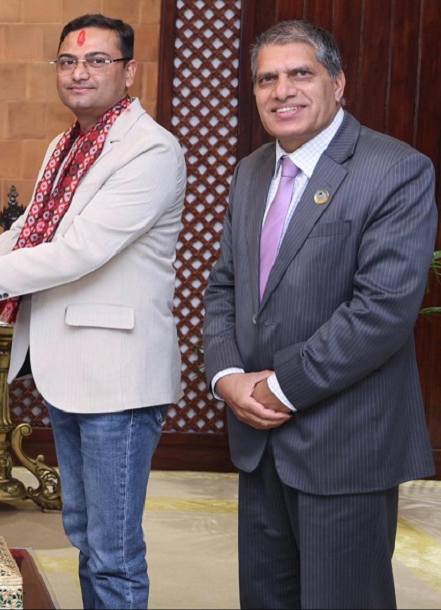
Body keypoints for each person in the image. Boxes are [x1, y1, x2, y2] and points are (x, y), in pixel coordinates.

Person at [0, 14, 186, 609]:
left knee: (113, 550)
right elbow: (27, 235)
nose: (80, 72)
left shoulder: (149, 149)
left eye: (98, 60)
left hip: (118, 378)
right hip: (72, 368)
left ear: (130, 71)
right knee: (85, 532)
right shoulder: (67, 144)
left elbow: (77, 252)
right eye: (68, 61)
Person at [203, 20, 436, 608]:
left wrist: (279, 388)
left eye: (300, 74)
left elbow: (382, 310)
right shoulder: (251, 171)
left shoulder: (395, 169)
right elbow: (224, 286)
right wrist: (228, 377)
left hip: (345, 444)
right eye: (267, 79)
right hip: (258, 439)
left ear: (338, 83)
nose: (282, 90)